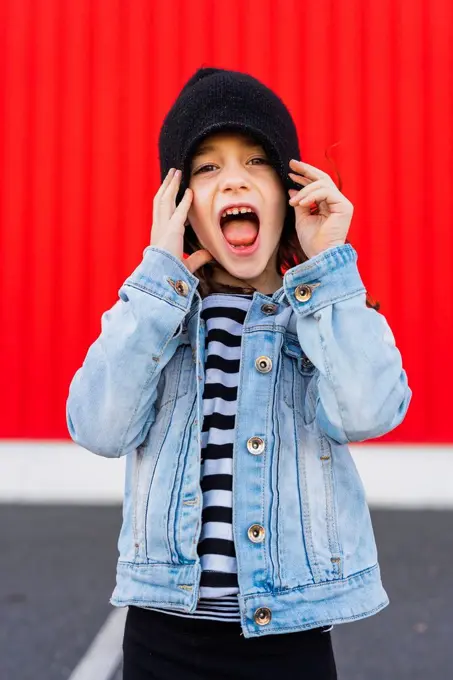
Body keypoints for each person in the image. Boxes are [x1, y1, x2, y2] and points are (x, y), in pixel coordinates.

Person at [66, 67, 412, 679]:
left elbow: (369, 411)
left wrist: (328, 262)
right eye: (205, 168)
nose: (232, 179)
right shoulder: (157, 318)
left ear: (288, 192)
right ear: (181, 207)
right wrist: (155, 280)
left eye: (256, 163)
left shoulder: (322, 314)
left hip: (290, 635)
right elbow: (98, 426)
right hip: (164, 632)